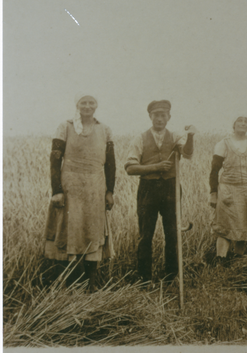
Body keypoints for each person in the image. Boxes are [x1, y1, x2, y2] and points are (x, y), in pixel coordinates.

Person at [44, 94, 115, 292]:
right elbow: (55, 160)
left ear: (96, 106)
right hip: (70, 187)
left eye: (91, 102)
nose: (87, 106)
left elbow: (111, 164)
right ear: (77, 105)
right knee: (70, 232)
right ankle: (70, 285)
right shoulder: (65, 127)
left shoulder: (105, 130)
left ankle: (90, 286)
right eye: (83, 102)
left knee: (93, 232)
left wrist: (110, 191)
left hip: (95, 186)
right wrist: (57, 191)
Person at [125, 100, 196, 283]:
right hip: (148, 189)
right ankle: (144, 277)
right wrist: (155, 167)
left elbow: (187, 154)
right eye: (156, 115)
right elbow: (130, 168)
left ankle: (171, 276)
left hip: (171, 188)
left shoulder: (176, 137)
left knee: (172, 233)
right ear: (150, 117)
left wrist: (190, 136)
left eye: (163, 115)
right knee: (145, 235)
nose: (159, 118)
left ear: (169, 117)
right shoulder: (139, 139)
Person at [209, 116, 247, 260]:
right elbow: (214, 171)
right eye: (239, 121)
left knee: (245, 225)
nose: (243, 124)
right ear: (233, 125)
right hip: (229, 191)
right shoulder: (223, 144)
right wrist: (213, 193)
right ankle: (220, 260)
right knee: (225, 227)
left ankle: (238, 258)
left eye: (246, 121)